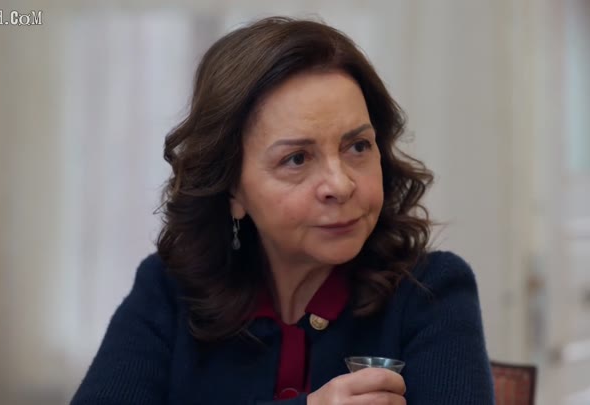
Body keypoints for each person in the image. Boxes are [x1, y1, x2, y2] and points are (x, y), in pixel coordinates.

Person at [71, 16, 495, 405]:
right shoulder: (169, 289)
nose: (340, 185)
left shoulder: (432, 291)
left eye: (357, 146)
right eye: (296, 159)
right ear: (231, 187)